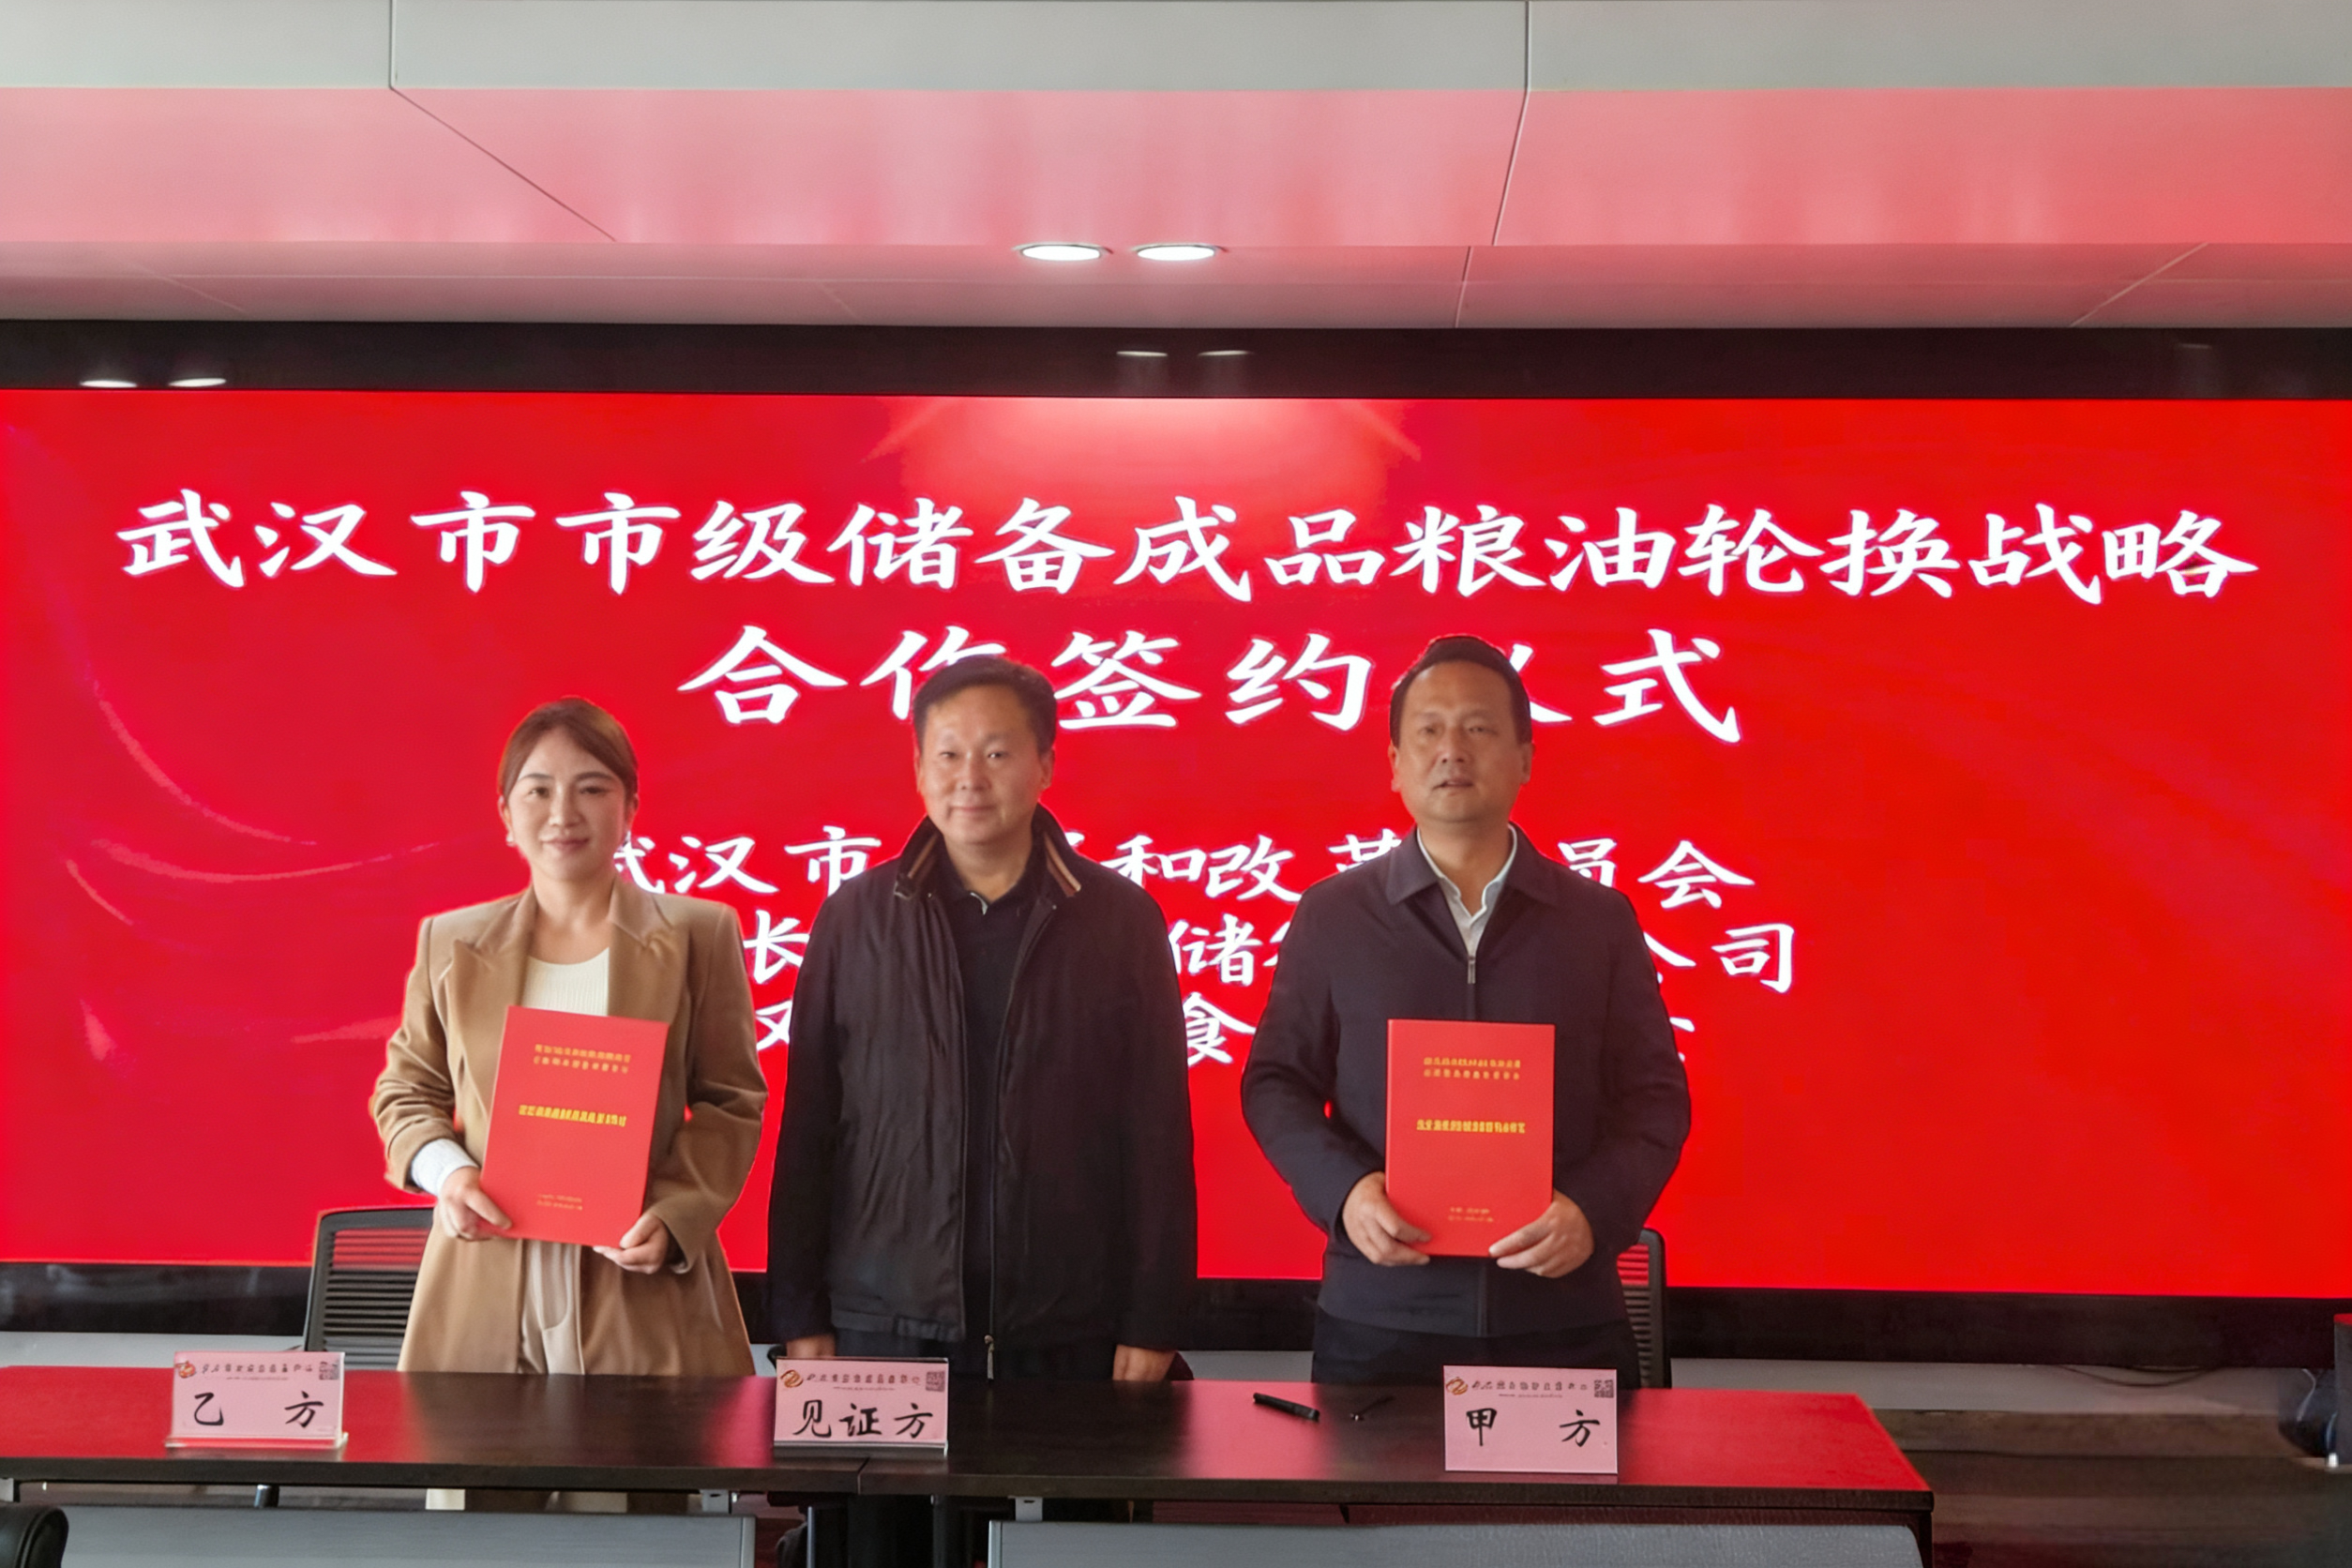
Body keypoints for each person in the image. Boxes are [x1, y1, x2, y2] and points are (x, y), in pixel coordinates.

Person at [1242, 636, 1691, 1387]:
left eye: (1479, 727)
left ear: (1525, 758)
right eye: (1429, 730)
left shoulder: (1597, 921)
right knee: (1378, 1475)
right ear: (1395, 763)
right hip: (1383, 1316)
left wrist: (1594, 1212)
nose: (1452, 749)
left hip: (1560, 1316)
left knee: (1571, 1477)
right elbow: (1275, 1083)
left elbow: (1655, 1098)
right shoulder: (1334, 916)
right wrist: (1344, 1193)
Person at [768, 656, 1196, 1382]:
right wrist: (798, 1314)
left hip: (1071, 1326)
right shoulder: (853, 920)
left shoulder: (1120, 921)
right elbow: (810, 1125)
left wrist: (1154, 1319)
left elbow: (1156, 1130)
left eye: (996, 754)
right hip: (881, 1322)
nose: (969, 777)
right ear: (918, 769)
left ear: (1045, 765)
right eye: (948, 754)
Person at [371, 698, 767, 1377]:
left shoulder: (698, 934)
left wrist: (677, 1212)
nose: (563, 814)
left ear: (630, 807)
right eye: (538, 790)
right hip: (484, 1273)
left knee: (640, 1449)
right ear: (506, 813)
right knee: (473, 1447)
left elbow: (731, 1100)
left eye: (591, 789)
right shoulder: (451, 942)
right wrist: (449, 1173)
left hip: (639, 1277)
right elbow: (406, 1091)